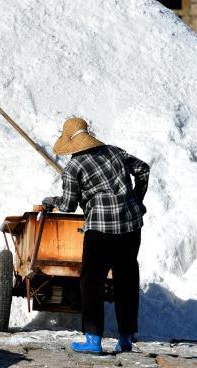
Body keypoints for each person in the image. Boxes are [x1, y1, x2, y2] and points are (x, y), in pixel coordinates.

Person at [41, 117, 150, 354]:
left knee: (92, 282)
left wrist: (51, 201)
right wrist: (136, 200)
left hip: (100, 230)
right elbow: (143, 169)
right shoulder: (115, 151)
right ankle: (125, 339)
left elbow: (68, 205)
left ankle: (93, 340)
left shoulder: (73, 167)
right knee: (126, 280)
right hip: (131, 225)